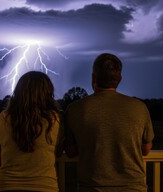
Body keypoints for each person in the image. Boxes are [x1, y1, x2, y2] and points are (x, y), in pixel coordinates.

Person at [65, 53, 154, 192]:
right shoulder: (139, 107)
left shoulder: (75, 109)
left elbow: (71, 151)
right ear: (120, 79)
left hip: (92, 187)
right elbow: (146, 149)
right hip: (133, 187)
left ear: (93, 77)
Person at [0, 71, 63, 192]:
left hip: (7, 186)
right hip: (45, 186)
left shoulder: (4, 117)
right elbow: (58, 151)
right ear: (48, 93)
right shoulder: (55, 119)